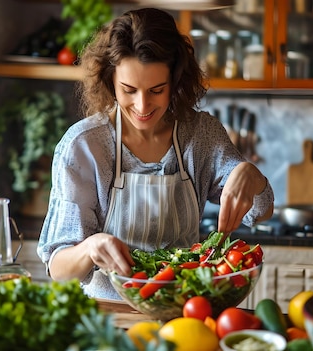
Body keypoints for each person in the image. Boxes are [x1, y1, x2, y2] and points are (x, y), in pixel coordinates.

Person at [37, 8, 274, 299]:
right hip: (109, 317)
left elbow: (261, 211)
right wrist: (91, 247)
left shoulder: (200, 135)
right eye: (129, 90)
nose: (142, 105)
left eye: (157, 90)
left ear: (175, 80)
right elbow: (59, 270)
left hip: (184, 312)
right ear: (110, 80)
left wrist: (249, 174)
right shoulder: (84, 147)